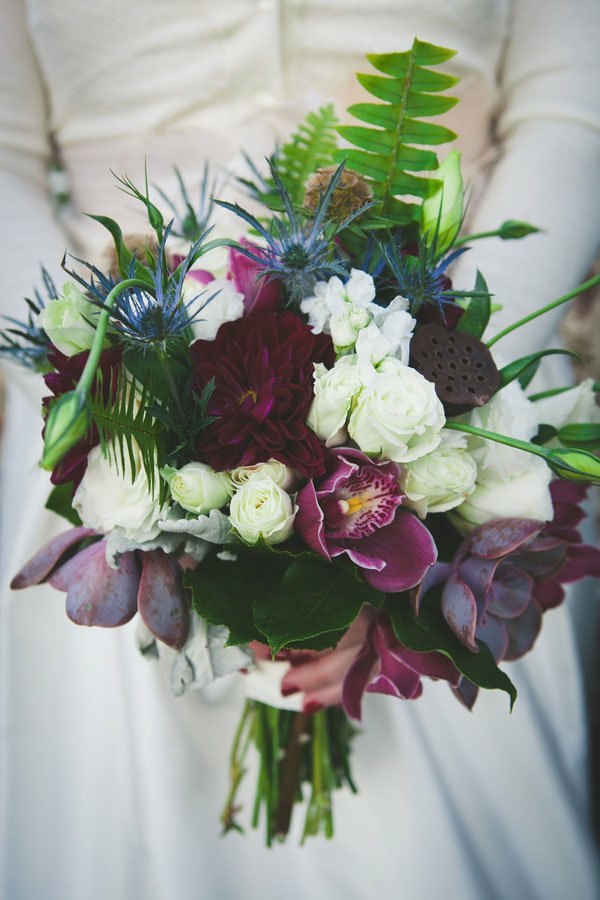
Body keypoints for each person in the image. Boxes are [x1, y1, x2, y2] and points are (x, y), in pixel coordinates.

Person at [1, 1, 599, 898]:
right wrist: (116, 394)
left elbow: (573, 111)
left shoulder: (447, 388)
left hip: (452, 377)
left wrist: (438, 379)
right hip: (121, 410)